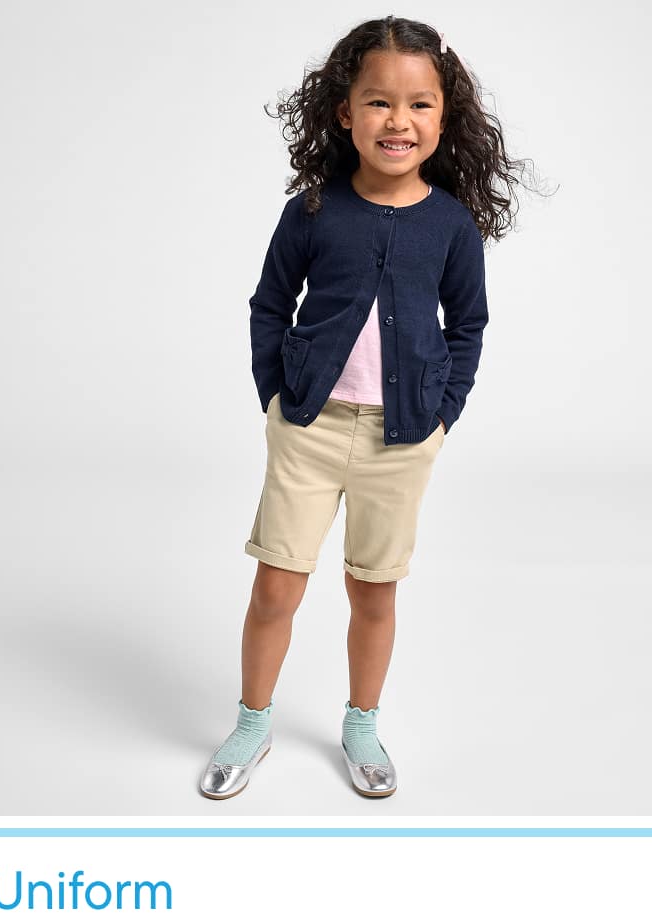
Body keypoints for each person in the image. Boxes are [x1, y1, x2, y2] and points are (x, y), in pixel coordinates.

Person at [200, 15, 536, 800]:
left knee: (374, 590)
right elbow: (270, 303)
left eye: (419, 104)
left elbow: (469, 325)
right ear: (344, 112)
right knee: (276, 586)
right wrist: (276, 395)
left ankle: (361, 723)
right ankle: (252, 722)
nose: (398, 120)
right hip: (308, 430)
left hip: (403, 439)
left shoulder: (451, 225)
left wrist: (442, 415)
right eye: (379, 101)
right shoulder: (314, 208)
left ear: (444, 119)